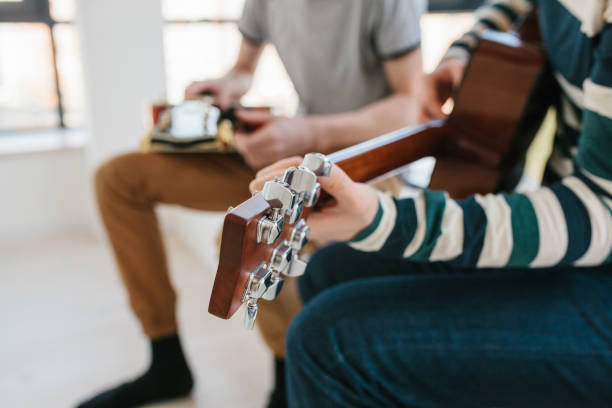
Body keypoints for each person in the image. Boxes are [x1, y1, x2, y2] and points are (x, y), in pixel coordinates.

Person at [250, 0, 612, 406]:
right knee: (328, 269)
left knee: (329, 346)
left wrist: (384, 219)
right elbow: (515, 4)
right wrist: (464, 55)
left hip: (597, 264)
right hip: (572, 245)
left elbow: (597, 214)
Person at [77, 1, 428, 407]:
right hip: (296, 152)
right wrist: (228, 85)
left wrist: (307, 131)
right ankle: (166, 359)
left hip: (365, 164)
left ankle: (288, 387)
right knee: (117, 180)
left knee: (251, 240)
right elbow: (244, 68)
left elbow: (410, 108)